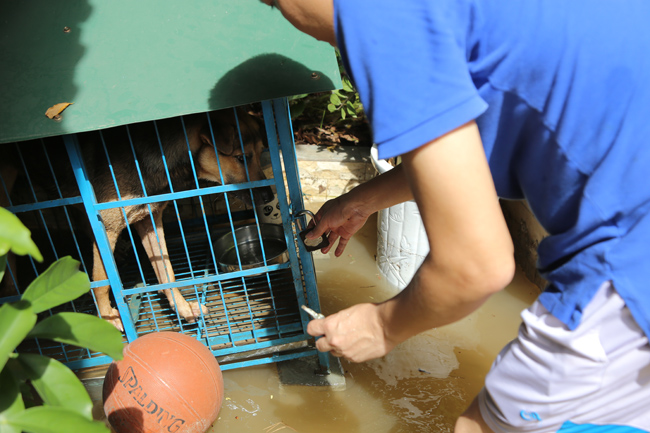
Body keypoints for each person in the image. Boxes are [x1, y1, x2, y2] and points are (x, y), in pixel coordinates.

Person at [259, 1, 650, 432]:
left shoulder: (379, 18)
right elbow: (470, 157)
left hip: (630, 255)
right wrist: (361, 201)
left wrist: (381, 325)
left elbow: (475, 266)